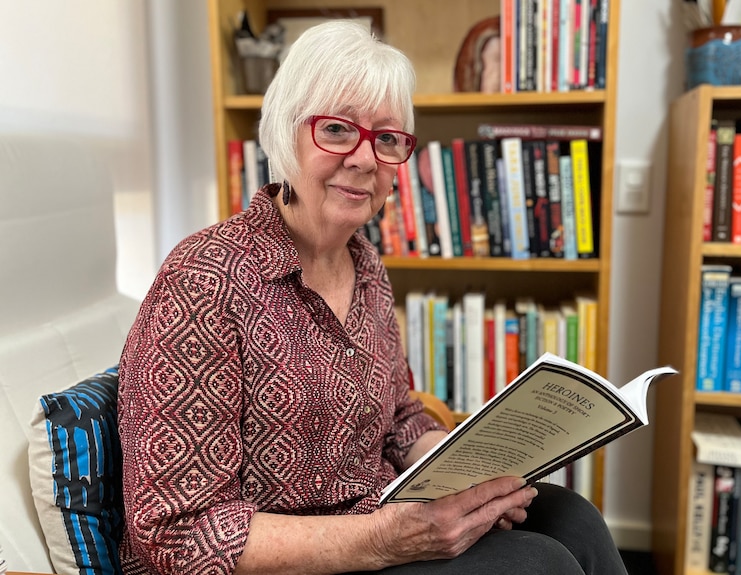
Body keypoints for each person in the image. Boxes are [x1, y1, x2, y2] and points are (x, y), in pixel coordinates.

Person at [117, 20, 628, 575]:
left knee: (572, 518)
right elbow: (176, 536)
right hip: (294, 561)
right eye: (337, 130)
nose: (365, 159)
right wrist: (389, 537)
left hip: (382, 517)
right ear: (286, 134)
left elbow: (399, 412)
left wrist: (476, 466)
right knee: (541, 565)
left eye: (387, 139)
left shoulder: (364, 264)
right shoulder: (204, 279)